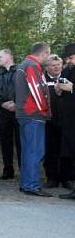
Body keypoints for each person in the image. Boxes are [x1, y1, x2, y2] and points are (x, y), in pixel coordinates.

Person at [15, 42, 52, 197]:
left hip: (24, 114)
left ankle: (26, 183)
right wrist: (45, 110)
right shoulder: (32, 66)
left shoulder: (23, 65)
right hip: (33, 115)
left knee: (28, 151)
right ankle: (32, 185)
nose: (48, 57)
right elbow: (37, 91)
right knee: (35, 151)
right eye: (48, 54)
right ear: (43, 53)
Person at [0, 49, 21, 180]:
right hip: (3, 112)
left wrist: (17, 104)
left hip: (19, 111)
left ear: (9, 56)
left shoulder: (20, 71)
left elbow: (26, 89)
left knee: (21, 142)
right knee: (5, 142)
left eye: (0, 56)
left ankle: (24, 171)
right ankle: (8, 170)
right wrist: (2, 103)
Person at [43, 55, 72, 189]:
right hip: (48, 121)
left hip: (67, 121)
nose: (56, 68)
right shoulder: (41, 79)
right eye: (53, 65)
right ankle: (52, 178)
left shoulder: (68, 77)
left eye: (58, 65)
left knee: (66, 151)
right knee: (50, 151)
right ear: (47, 67)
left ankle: (67, 179)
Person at [57, 43, 75, 199]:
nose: (68, 60)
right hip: (69, 119)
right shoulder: (69, 70)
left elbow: (71, 88)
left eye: (71, 57)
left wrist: (72, 88)